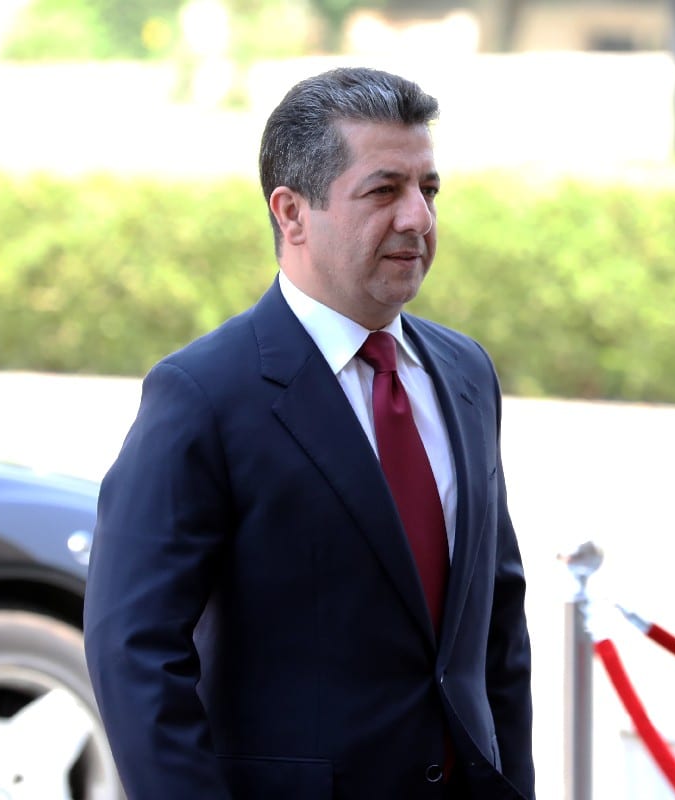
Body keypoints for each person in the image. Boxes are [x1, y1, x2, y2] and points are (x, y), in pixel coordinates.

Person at [82, 66, 535, 800]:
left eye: (429, 189)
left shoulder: (465, 372)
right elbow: (133, 652)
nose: (417, 218)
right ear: (291, 214)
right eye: (384, 190)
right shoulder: (202, 395)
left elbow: (497, 627)